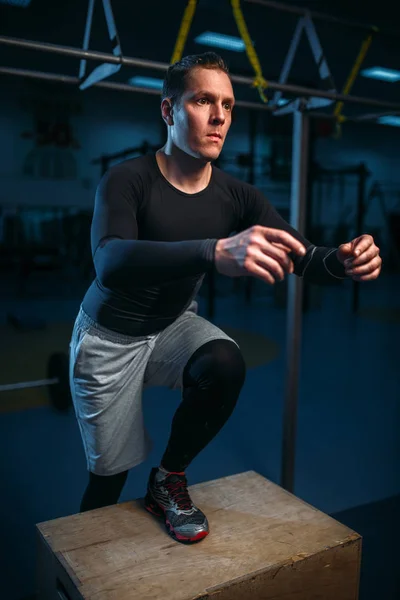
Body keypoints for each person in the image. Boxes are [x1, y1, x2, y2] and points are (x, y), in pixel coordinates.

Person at [69, 52, 382, 544]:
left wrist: (345, 260)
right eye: (202, 101)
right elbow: (109, 262)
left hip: (172, 325)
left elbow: (305, 258)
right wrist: (213, 250)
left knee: (225, 362)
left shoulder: (238, 196)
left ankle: (168, 481)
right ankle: (79, 566)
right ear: (170, 111)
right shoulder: (128, 180)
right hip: (109, 337)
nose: (219, 117)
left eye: (228, 106)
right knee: (108, 478)